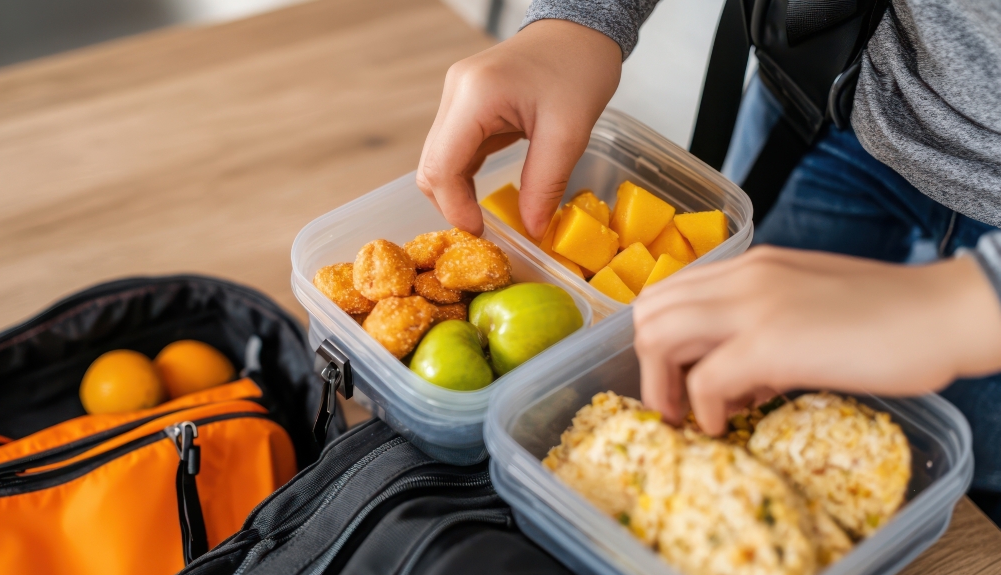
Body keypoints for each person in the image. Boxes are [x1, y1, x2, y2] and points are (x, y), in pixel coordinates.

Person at [415, 0, 1001, 519]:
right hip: (830, 89)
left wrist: (970, 305)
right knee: (733, 380)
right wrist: (581, 19)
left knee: (972, 486)